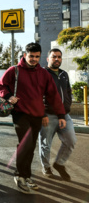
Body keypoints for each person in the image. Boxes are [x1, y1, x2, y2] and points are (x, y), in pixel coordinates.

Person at [0, 42, 66, 194]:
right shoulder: (14, 70)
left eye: (37, 57)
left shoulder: (44, 74)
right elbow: (0, 86)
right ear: (24, 55)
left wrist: (61, 114)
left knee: (31, 147)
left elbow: (53, 96)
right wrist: (8, 96)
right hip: (20, 113)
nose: (34, 59)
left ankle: (26, 176)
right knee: (25, 144)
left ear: (40, 57)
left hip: (37, 115)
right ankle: (20, 175)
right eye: (31, 56)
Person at [39, 48, 76, 181]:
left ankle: (59, 163)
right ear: (48, 58)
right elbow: (38, 95)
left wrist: (67, 107)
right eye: (54, 57)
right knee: (46, 144)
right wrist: (42, 113)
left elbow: (68, 92)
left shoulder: (64, 74)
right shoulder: (42, 73)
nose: (57, 59)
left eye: (59, 57)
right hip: (48, 115)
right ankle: (46, 167)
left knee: (71, 141)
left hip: (64, 115)